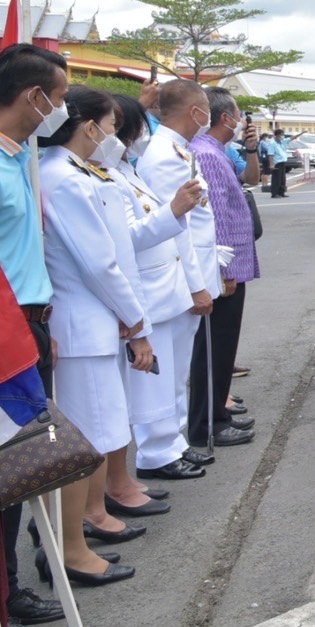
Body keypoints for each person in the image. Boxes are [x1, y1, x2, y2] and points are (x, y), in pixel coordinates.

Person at [38, 85, 148, 587]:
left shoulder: (75, 174)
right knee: (82, 442)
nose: (112, 136)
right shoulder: (66, 179)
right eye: (109, 126)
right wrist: (135, 318)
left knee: (95, 437)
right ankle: (67, 549)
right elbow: (99, 264)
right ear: (89, 128)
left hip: (93, 324)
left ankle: (75, 537)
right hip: (83, 325)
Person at [0, 44, 68, 627]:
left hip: (30, 323)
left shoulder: (20, 155)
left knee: (19, 474)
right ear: (32, 97)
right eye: (57, 100)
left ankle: (7, 589)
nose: (58, 112)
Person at [107, 95, 205, 509]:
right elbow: (127, 238)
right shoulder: (103, 173)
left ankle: (170, 445)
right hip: (148, 290)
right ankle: (157, 452)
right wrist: (174, 210)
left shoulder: (126, 169)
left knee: (170, 376)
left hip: (165, 285)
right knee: (150, 385)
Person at [137, 79, 225, 477]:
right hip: (175, 277)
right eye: (205, 108)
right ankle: (158, 451)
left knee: (177, 368)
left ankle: (172, 443)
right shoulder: (164, 156)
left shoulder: (178, 150)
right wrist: (196, 285)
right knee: (166, 369)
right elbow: (178, 227)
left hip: (189, 273)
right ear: (195, 112)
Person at [188, 88, 261, 450]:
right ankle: (209, 422)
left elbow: (252, 179)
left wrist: (251, 149)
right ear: (225, 119)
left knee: (222, 347)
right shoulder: (207, 155)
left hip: (231, 268)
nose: (240, 121)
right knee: (214, 350)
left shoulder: (216, 153)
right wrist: (223, 269)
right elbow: (214, 219)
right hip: (225, 271)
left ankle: (218, 412)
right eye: (236, 115)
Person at [262, 127, 290, 197]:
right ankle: (274, 193)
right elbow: (270, 155)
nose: (283, 136)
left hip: (282, 161)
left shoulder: (281, 142)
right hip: (276, 163)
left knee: (282, 178)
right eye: (282, 135)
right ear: (278, 135)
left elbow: (291, 139)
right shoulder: (272, 143)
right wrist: (271, 164)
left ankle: (281, 192)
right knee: (276, 179)